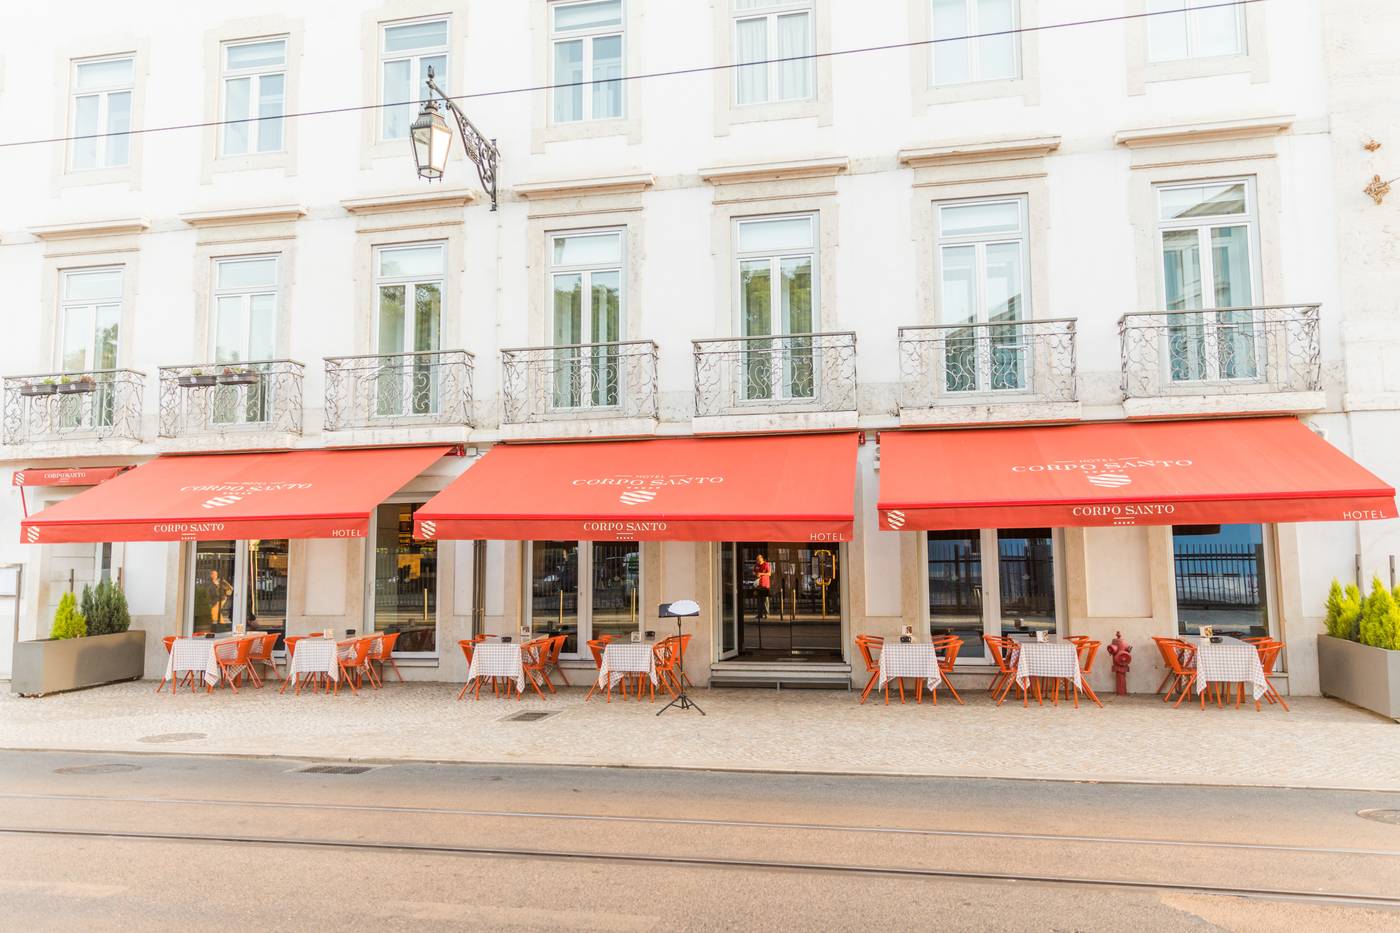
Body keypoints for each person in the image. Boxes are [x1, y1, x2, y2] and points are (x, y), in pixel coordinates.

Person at [754, 554, 772, 621]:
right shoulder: (756, 565)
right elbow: (754, 572)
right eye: (757, 560)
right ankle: (760, 614)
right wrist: (756, 574)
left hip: (765, 585)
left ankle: (766, 614)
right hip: (758, 585)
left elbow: (769, 573)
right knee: (759, 600)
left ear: (762, 559)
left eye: (759, 560)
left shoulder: (766, 564)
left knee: (765, 600)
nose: (758, 561)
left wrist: (761, 574)